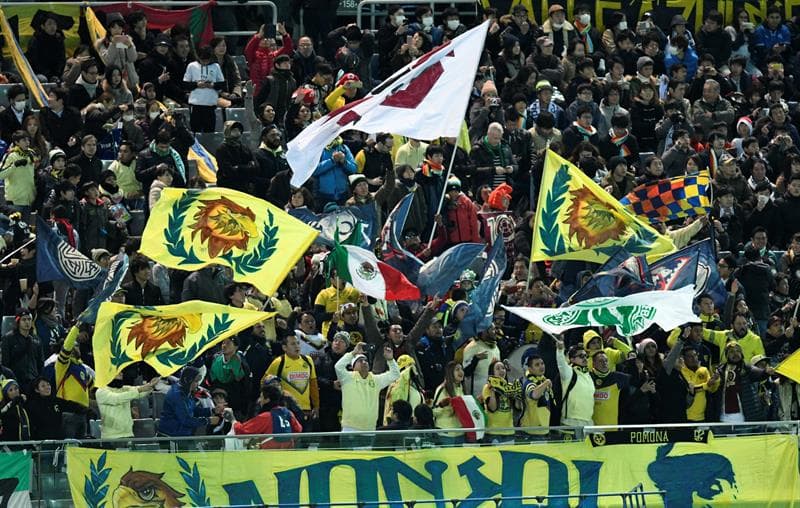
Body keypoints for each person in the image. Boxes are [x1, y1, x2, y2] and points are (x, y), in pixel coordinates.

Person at [335, 342, 399, 447]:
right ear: (353, 366)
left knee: (365, 462)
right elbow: (338, 366)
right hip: (350, 429)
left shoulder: (375, 380)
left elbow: (395, 374)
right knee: (348, 461)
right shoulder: (347, 378)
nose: (364, 362)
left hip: (369, 430)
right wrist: (353, 353)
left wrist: (390, 360)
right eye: (360, 361)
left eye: (365, 360)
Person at [263, 334, 319, 422]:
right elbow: (264, 383)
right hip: (286, 410)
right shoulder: (278, 362)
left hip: (306, 410)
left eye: (298, 343)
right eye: (293, 344)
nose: (297, 346)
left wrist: (316, 406)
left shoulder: (308, 360)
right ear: (284, 347)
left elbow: (313, 385)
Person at [229, 383, 302, 449]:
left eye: (261, 397)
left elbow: (241, 431)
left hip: (269, 456)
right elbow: (298, 430)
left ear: (267, 400)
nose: (259, 400)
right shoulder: (289, 413)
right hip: (289, 455)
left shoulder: (266, 417)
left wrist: (233, 420)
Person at [158, 366, 221, 438]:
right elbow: (185, 420)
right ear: (187, 380)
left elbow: (194, 410)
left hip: (182, 435)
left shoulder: (187, 391)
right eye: (196, 381)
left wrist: (212, 410)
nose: (197, 385)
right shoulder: (176, 395)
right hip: (170, 436)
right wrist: (208, 421)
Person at [95, 373, 160, 439]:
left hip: (128, 434)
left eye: (121, 371)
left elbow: (141, 392)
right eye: (118, 372)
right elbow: (117, 398)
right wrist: (139, 390)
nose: (121, 373)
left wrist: (151, 385)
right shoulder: (101, 391)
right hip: (111, 437)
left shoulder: (124, 389)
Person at [555, 338, 594, 429]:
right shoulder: (569, 373)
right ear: (572, 359)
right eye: (581, 356)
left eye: (585, 356)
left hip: (589, 421)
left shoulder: (589, 375)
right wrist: (560, 350)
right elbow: (561, 364)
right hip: (571, 422)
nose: (584, 358)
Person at [431, 361, 466, 444]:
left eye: (462, 369)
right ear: (450, 373)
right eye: (457, 369)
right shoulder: (442, 389)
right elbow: (433, 411)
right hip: (446, 434)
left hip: (460, 432)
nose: (461, 372)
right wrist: (442, 405)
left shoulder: (462, 389)